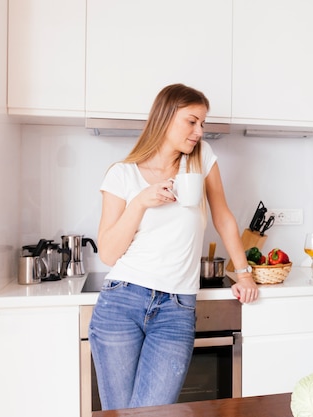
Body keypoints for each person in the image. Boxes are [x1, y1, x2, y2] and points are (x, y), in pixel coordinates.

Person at [89, 83, 259, 410]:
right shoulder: (121, 175)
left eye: (203, 124)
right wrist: (140, 202)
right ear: (166, 118)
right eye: (192, 121)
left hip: (177, 309)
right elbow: (109, 253)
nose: (199, 131)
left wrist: (244, 273)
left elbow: (223, 216)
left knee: (153, 412)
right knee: (122, 414)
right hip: (122, 302)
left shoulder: (200, 161)